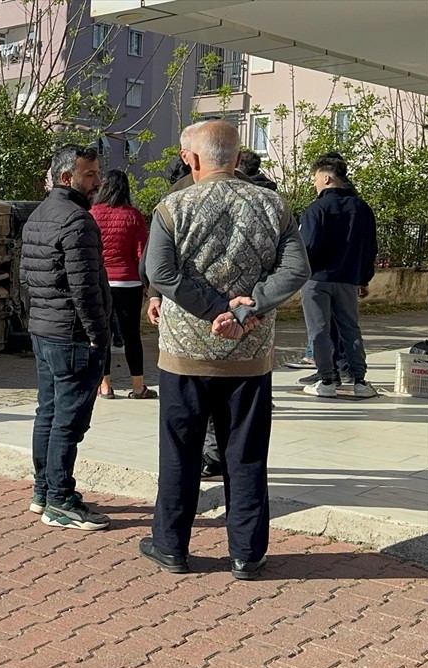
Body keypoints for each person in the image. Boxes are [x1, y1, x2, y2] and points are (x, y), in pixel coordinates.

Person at [142, 121, 309, 580]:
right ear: (237, 160)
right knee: (246, 453)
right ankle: (247, 554)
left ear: (189, 158)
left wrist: (215, 308)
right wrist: (246, 307)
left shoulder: (172, 206)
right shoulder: (274, 205)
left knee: (179, 452)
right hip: (249, 354)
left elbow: (158, 269)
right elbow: (296, 269)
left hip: (184, 355)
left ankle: (171, 547)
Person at [20, 145, 112, 531]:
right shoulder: (78, 221)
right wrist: (98, 337)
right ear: (66, 178)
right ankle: (59, 499)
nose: (97, 182)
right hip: (71, 335)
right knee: (67, 422)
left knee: (49, 413)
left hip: (44, 330)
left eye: (96, 174)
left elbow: (26, 280)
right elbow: (85, 288)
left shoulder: (38, 215)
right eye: (89, 175)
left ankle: (43, 491)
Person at [299, 153, 378, 399]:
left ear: (326, 178)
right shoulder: (362, 208)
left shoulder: (316, 209)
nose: (314, 184)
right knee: (350, 329)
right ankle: (360, 380)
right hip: (347, 279)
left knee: (319, 331)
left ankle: (326, 380)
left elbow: (307, 246)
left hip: (317, 280)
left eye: (315, 179)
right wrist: (364, 278)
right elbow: (369, 246)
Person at [91, 169, 154, 400]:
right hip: (129, 282)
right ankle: (138, 387)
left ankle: (105, 386)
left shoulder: (92, 214)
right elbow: (142, 253)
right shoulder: (133, 215)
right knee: (132, 336)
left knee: (102, 334)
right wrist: (148, 284)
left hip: (101, 281)